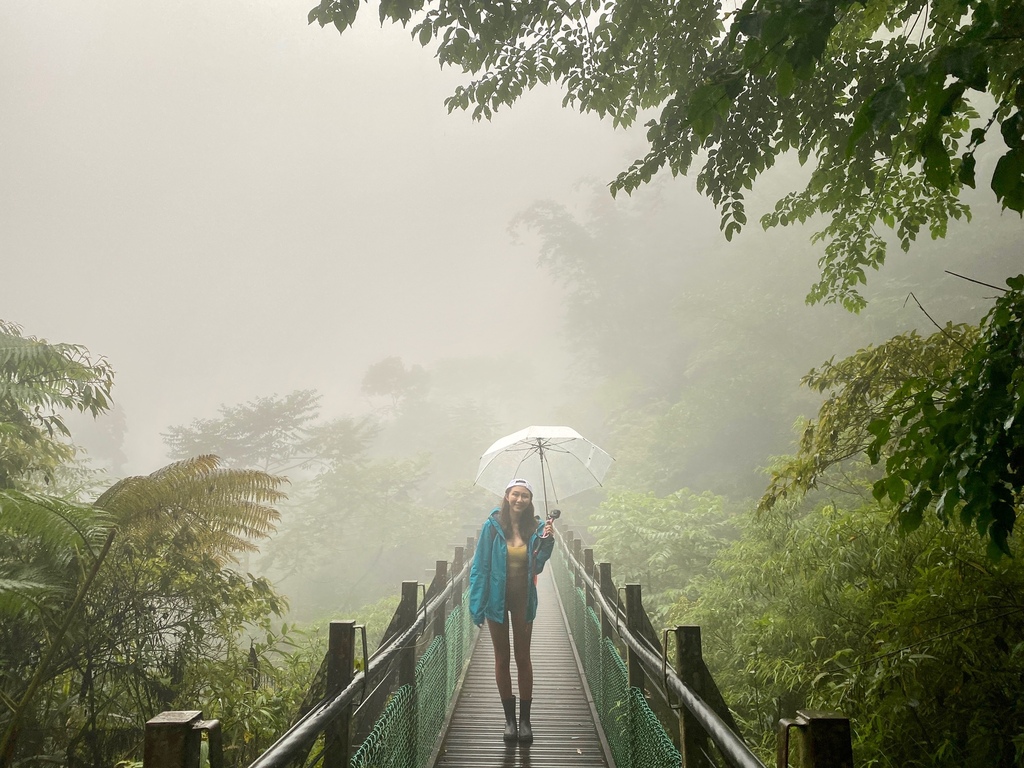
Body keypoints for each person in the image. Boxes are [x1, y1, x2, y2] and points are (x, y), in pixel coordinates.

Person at [469, 478, 555, 744]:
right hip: (496, 600)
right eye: (515, 494)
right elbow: (480, 567)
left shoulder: (537, 529)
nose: (519, 499)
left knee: (523, 657)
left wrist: (548, 542)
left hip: (523, 599)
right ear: (506, 496)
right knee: (502, 658)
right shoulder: (492, 527)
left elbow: (537, 565)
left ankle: (525, 721)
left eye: (525, 496)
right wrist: (476, 606)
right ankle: (509, 720)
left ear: (530, 501)